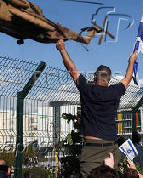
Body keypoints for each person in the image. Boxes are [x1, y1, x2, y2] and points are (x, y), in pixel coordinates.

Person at [56, 39, 137, 177]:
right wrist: (132, 61)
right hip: (111, 149)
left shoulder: (86, 88)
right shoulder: (115, 91)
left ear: (95, 77)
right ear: (109, 79)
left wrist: (62, 49)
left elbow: (72, 70)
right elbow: (127, 78)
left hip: (91, 150)